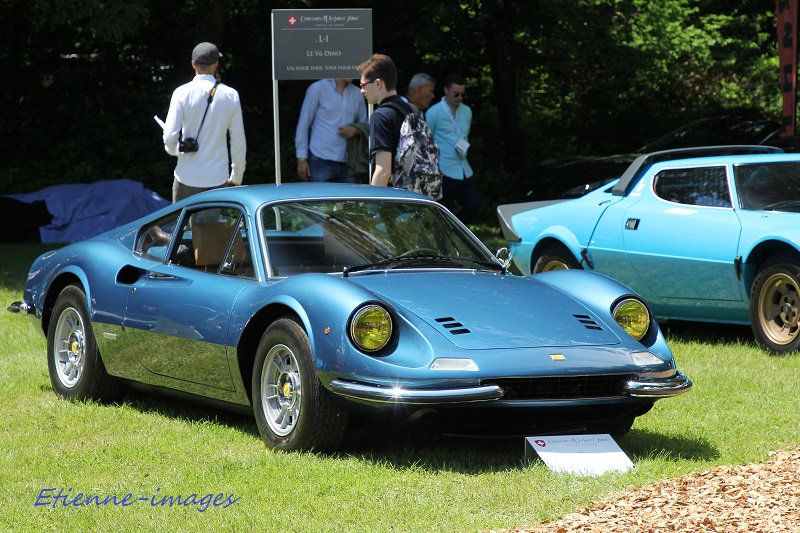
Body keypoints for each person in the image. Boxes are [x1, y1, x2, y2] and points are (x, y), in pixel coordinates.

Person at [163, 42, 246, 203]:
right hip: (216, 177)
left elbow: (169, 138)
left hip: (186, 175)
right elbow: (238, 141)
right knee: (211, 220)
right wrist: (237, 176)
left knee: (181, 219)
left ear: (193, 64)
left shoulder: (181, 93)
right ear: (216, 64)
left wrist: (177, 150)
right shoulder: (231, 95)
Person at [426, 72, 477, 223]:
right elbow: (426, 141)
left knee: (472, 206)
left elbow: (465, 136)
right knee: (444, 211)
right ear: (446, 90)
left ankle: (455, 230)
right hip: (444, 168)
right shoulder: (434, 112)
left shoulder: (467, 111)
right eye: (456, 94)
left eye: (462, 94)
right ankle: (444, 235)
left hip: (463, 167)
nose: (459, 98)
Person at [294, 78, 368, 182]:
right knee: (320, 193)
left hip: (348, 161)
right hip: (320, 159)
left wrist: (355, 130)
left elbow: (365, 124)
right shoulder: (317, 88)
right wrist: (301, 158)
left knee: (350, 193)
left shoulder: (357, 93)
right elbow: (304, 123)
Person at [357, 54, 409, 188]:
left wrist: (372, 200)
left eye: (363, 85)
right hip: (416, 194)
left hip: (395, 197)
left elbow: (383, 171)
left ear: (378, 83)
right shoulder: (410, 109)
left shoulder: (380, 116)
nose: (361, 91)